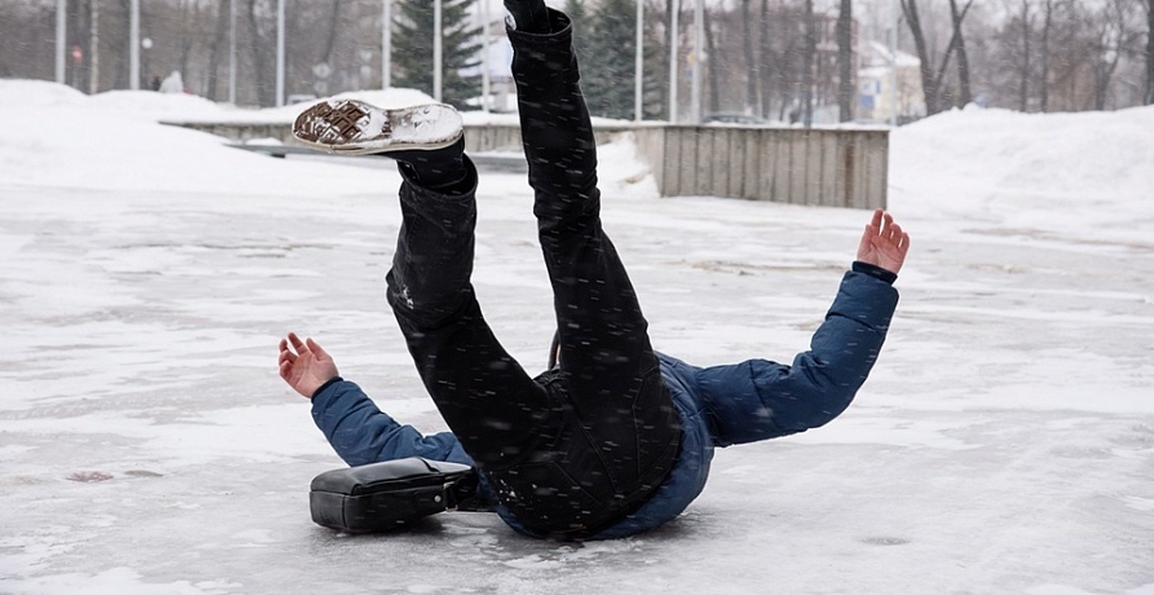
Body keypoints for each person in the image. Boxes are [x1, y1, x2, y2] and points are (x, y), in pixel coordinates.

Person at [278, 1, 909, 541]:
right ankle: (448, 151)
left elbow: (395, 452)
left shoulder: (638, 390)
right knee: (494, 276)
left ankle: (448, 159)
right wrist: (871, 281)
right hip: (599, 469)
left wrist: (329, 392)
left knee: (494, 275)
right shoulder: (694, 394)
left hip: (544, 482)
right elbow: (818, 387)